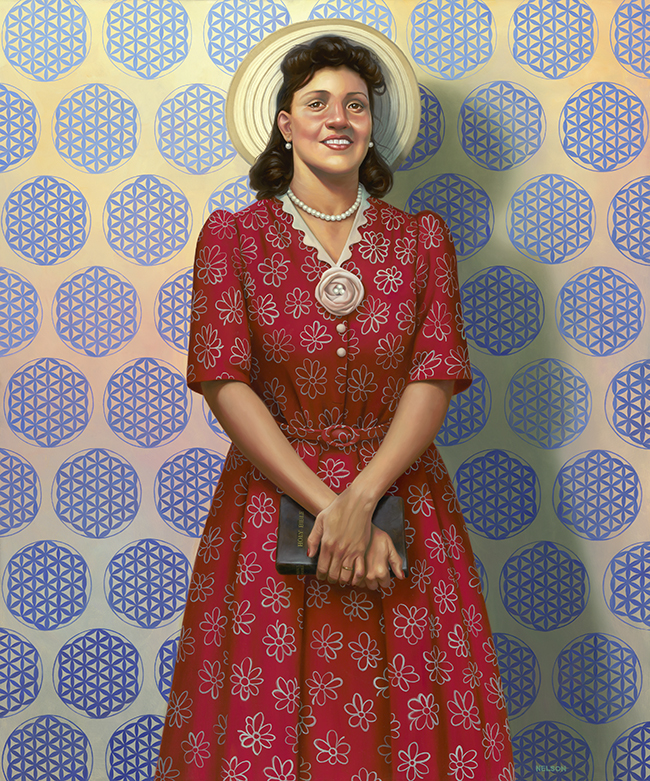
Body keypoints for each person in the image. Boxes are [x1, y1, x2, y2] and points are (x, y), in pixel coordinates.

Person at [156, 20, 514, 781]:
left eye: (355, 104)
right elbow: (225, 381)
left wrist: (366, 495)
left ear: (372, 128)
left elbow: (435, 374)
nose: (337, 118)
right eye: (316, 102)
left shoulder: (421, 239)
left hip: (405, 501)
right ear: (285, 124)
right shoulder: (234, 239)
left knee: (414, 716)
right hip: (268, 507)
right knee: (266, 716)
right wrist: (334, 508)